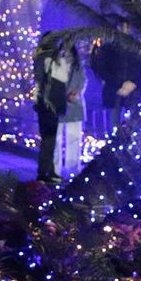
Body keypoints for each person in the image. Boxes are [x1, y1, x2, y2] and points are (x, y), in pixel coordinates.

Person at [34, 35, 85, 182]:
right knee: (51, 140)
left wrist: (77, 91)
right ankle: (49, 172)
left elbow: (81, 79)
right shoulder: (46, 58)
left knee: (68, 139)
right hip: (52, 103)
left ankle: (64, 171)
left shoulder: (75, 65)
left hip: (67, 105)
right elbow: (49, 79)